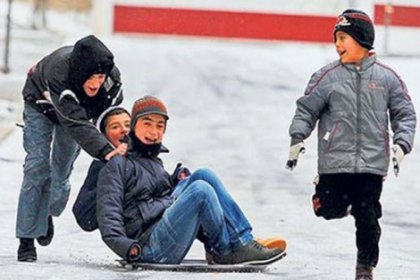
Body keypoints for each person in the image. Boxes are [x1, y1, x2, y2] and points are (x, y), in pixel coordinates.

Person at [286, 9, 416, 280]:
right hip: (336, 162)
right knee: (328, 210)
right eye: (336, 38)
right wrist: (298, 137)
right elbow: (306, 110)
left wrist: (402, 143)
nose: (337, 44)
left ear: (362, 40)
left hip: (371, 165)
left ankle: (364, 267)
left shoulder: (387, 79)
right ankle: (337, 203)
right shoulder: (327, 77)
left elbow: (405, 113)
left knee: (367, 215)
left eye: (343, 38)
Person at [96, 95, 286, 265]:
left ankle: (242, 241)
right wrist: (129, 249)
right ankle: (225, 250)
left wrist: (175, 180)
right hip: (149, 246)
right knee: (200, 191)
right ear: (133, 126)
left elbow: (156, 194)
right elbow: (109, 217)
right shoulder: (116, 165)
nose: (154, 132)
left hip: (161, 226)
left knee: (204, 174)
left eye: (159, 126)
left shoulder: (152, 161)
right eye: (147, 123)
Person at [16, 35, 126, 262]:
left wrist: (121, 143)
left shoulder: (111, 81)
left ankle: (46, 212)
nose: (96, 83)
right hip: (41, 105)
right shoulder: (60, 73)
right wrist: (105, 151)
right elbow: (75, 122)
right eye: (91, 78)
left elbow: (110, 118)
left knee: (61, 171)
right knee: (37, 166)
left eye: (100, 77)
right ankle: (26, 239)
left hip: (77, 115)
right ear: (79, 73)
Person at [72, 106, 131, 232]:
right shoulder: (101, 165)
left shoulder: (149, 154)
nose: (124, 130)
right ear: (104, 135)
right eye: (115, 127)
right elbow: (84, 218)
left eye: (128, 125)